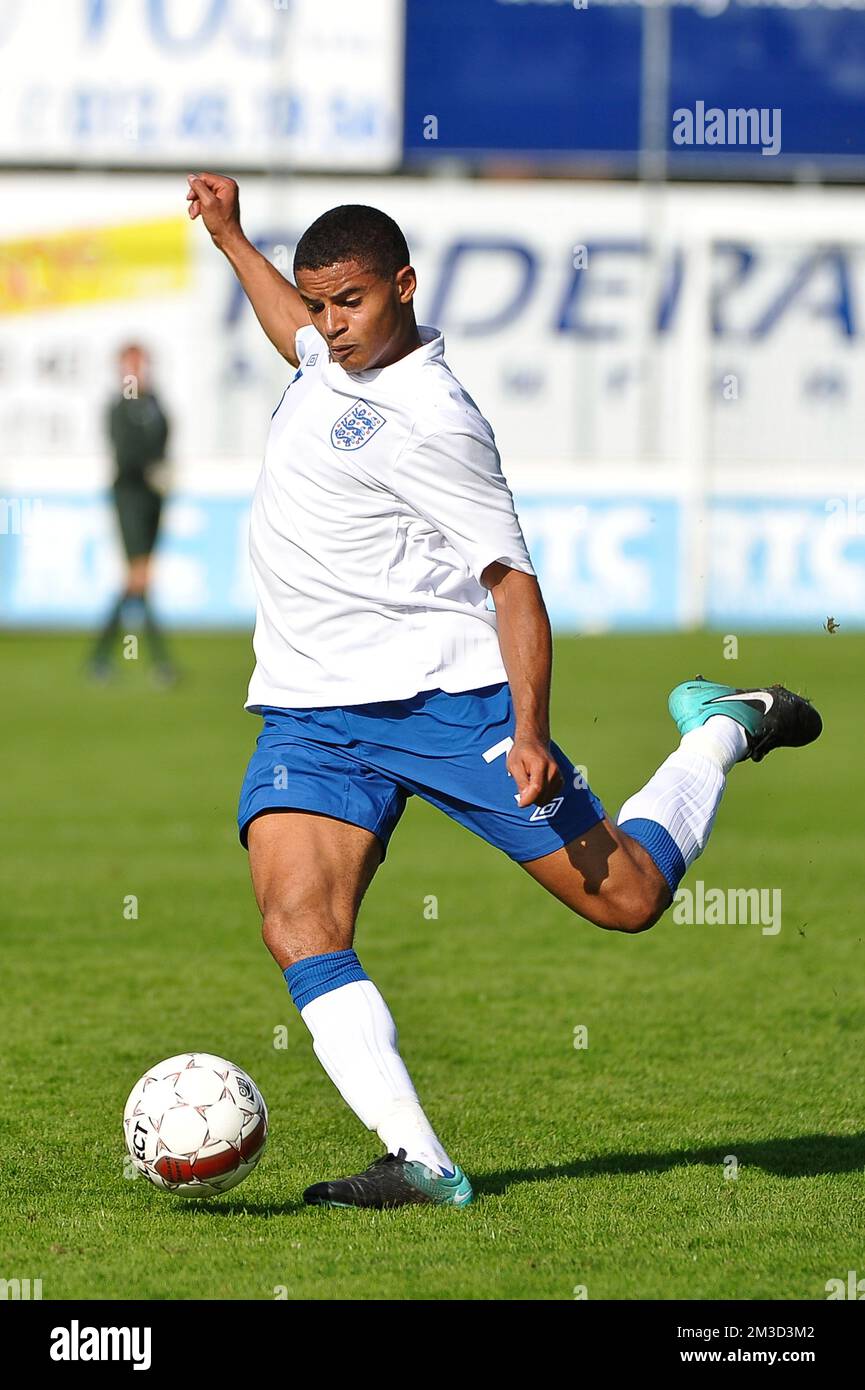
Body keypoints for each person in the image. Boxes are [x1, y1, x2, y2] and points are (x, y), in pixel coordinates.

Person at [186, 171, 822, 1210]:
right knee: (298, 921)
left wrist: (528, 731)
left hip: (450, 707)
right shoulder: (324, 353)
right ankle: (422, 1163)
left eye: (351, 301)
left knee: (625, 898)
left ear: (405, 285)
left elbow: (513, 586)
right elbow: (288, 327)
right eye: (319, 300)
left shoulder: (436, 419)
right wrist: (230, 238)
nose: (330, 324)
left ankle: (718, 730)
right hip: (313, 713)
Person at [89, 343, 176, 685]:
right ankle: (158, 661)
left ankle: (101, 659)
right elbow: (125, 453)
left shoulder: (154, 403)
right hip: (130, 496)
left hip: (153, 498)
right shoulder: (119, 407)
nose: (137, 372)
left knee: (138, 578)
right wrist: (150, 468)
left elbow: (165, 438)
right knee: (139, 576)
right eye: (131, 366)